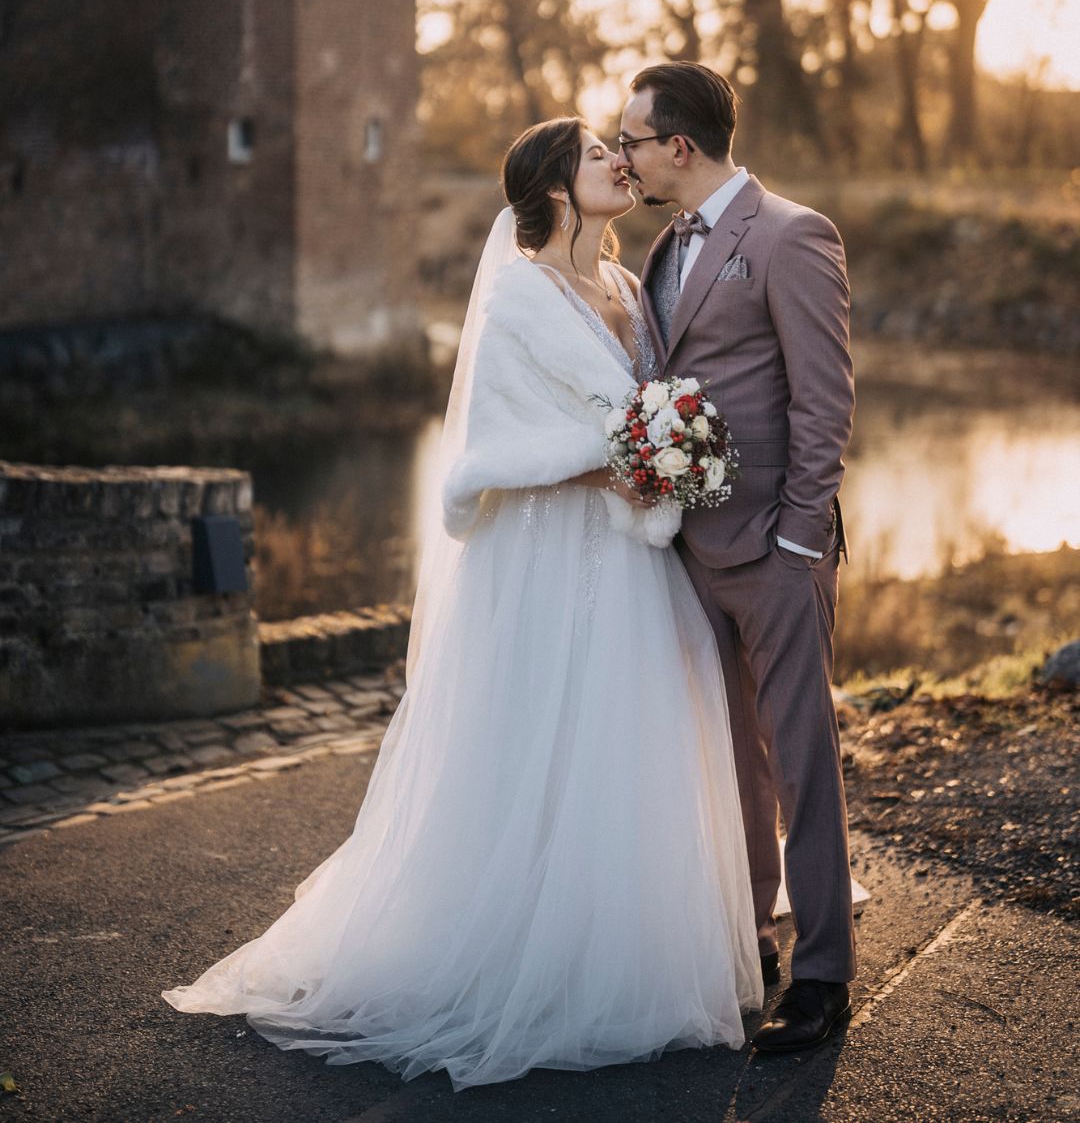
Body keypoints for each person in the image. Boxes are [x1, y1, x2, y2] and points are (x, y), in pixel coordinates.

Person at [162, 116, 763, 1091]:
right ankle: (515, 961)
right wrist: (610, 465)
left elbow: (646, 410)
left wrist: (663, 454)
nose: (621, 160)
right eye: (599, 154)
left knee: (623, 748)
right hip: (551, 559)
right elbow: (492, 453)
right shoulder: (520, 296)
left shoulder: (621, 285)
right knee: (540, 747)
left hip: (631, 558)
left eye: (622, 148)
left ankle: (617, 954)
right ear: (557, 189)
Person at [618, 62, 857, 1053]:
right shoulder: (664, 246)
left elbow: (824, 399)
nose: (621, 154)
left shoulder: (793, 234)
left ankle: (824, 973)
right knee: (733, 757)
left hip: (774, 547)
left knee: (800, 757)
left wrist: (799, 534)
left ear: (679, 145)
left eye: (631, 138)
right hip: (695, 544)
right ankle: (751, 937)